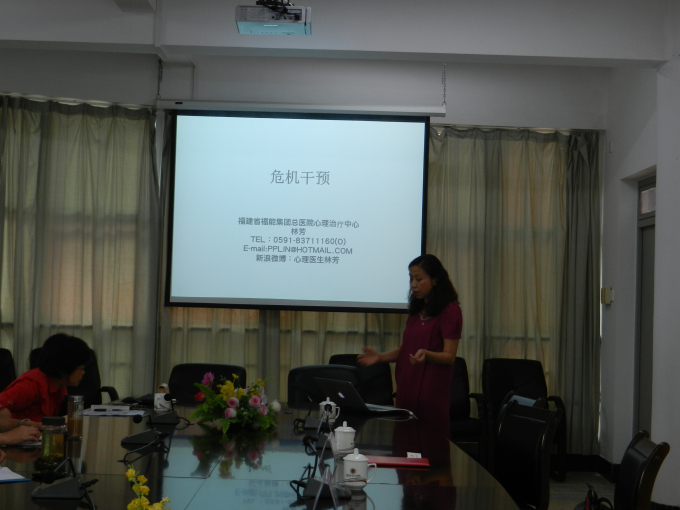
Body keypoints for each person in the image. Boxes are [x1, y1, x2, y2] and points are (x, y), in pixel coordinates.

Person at [358, 254, 462, 436]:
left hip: (431, 393)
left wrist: (427, 354)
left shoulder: (450, 310)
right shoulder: (416, 311)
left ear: (435, 280)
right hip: (406, 388)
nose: (413, 284)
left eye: (418, 279)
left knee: (429, 443)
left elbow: (449, 356)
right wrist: (380, 357)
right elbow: (406, 349)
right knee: (404, 441)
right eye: (411, 279)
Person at [0, 333, 91, 424]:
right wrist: (23, 425)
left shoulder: (58, 386)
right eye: (81, 369)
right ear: (66, 366)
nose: (83, 373)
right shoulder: (31, 385)